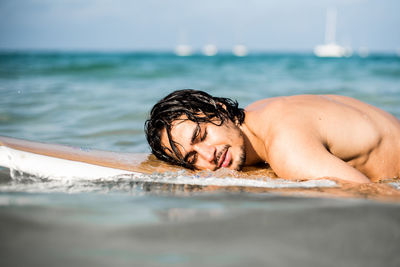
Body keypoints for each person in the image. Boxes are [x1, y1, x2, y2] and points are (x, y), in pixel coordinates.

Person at [145, 89, 400, 183]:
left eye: (201, 135)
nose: (207, 154)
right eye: (191, 158)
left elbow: (370, 197)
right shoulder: (259, 112)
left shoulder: (287, 148)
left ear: (220, 110)